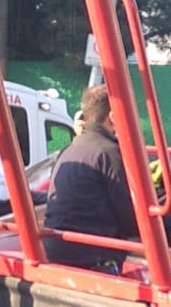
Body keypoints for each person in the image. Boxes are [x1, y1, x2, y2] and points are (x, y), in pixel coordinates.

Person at [42, 85, 140, 272]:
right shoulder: (109, 152)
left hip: (57, 252)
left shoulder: (68, 150)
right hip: (95, 259)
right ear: (113, 117)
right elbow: (130, 218)